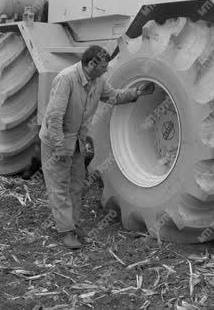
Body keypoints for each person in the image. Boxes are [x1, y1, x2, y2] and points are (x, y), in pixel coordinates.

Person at [39, 45, 155, 249]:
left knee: (76, 186)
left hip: (76, 142)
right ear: (91, 64)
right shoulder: (66, 79)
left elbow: (113, 96)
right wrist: (60, 149)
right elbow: (54, 118)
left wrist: (137, 92)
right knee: (59, 187)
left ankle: (73, 225)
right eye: (104, 66)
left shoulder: (97, 80)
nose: (107, 70)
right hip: (56, 143)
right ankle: (66, 231)